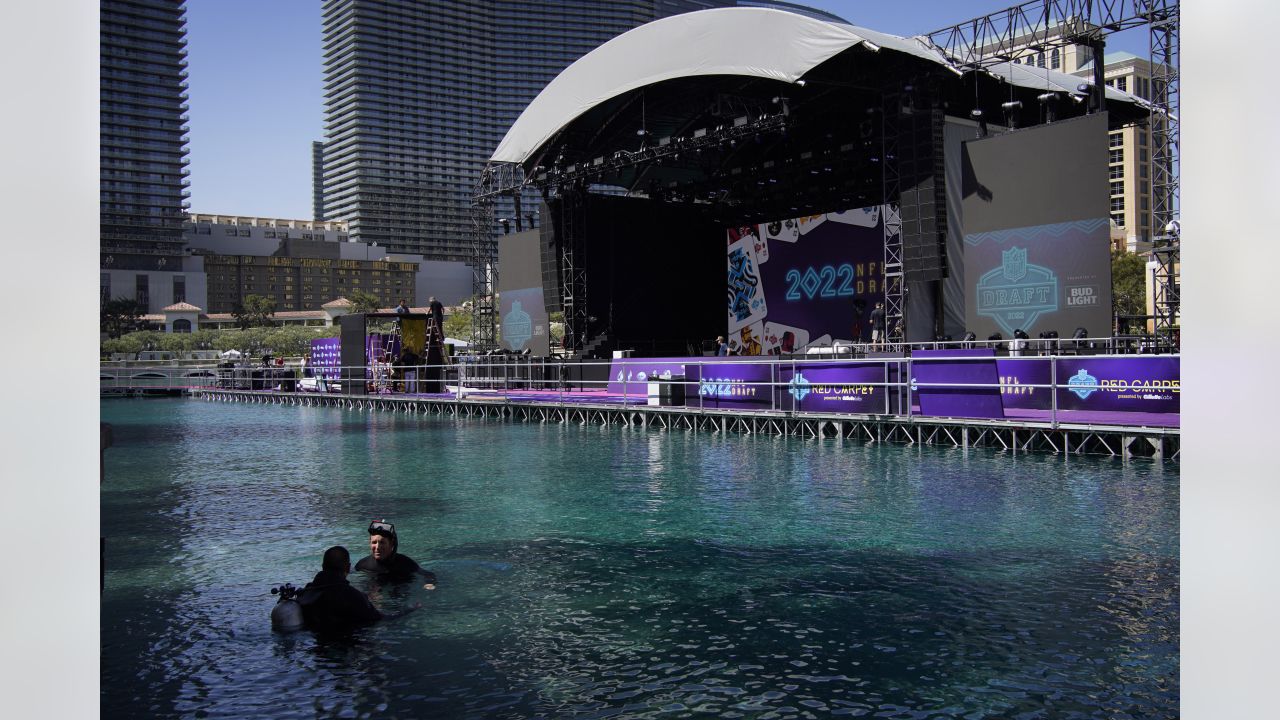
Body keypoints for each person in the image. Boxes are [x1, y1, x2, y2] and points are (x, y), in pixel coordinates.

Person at [297, 546, 393, 632]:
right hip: (344, 645)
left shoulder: (307, 591)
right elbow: (378, 619)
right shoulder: (352, 596)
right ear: (348, 567)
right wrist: (406, 612)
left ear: (322, 567)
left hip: (316, 645)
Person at [355, 519, 437, 589]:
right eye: (374, 542)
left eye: (382, 542)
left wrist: (429, 584)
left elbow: (429, 574)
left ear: (391, 544)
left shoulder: (405, 563)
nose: (377, 547)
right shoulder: (363, 564)